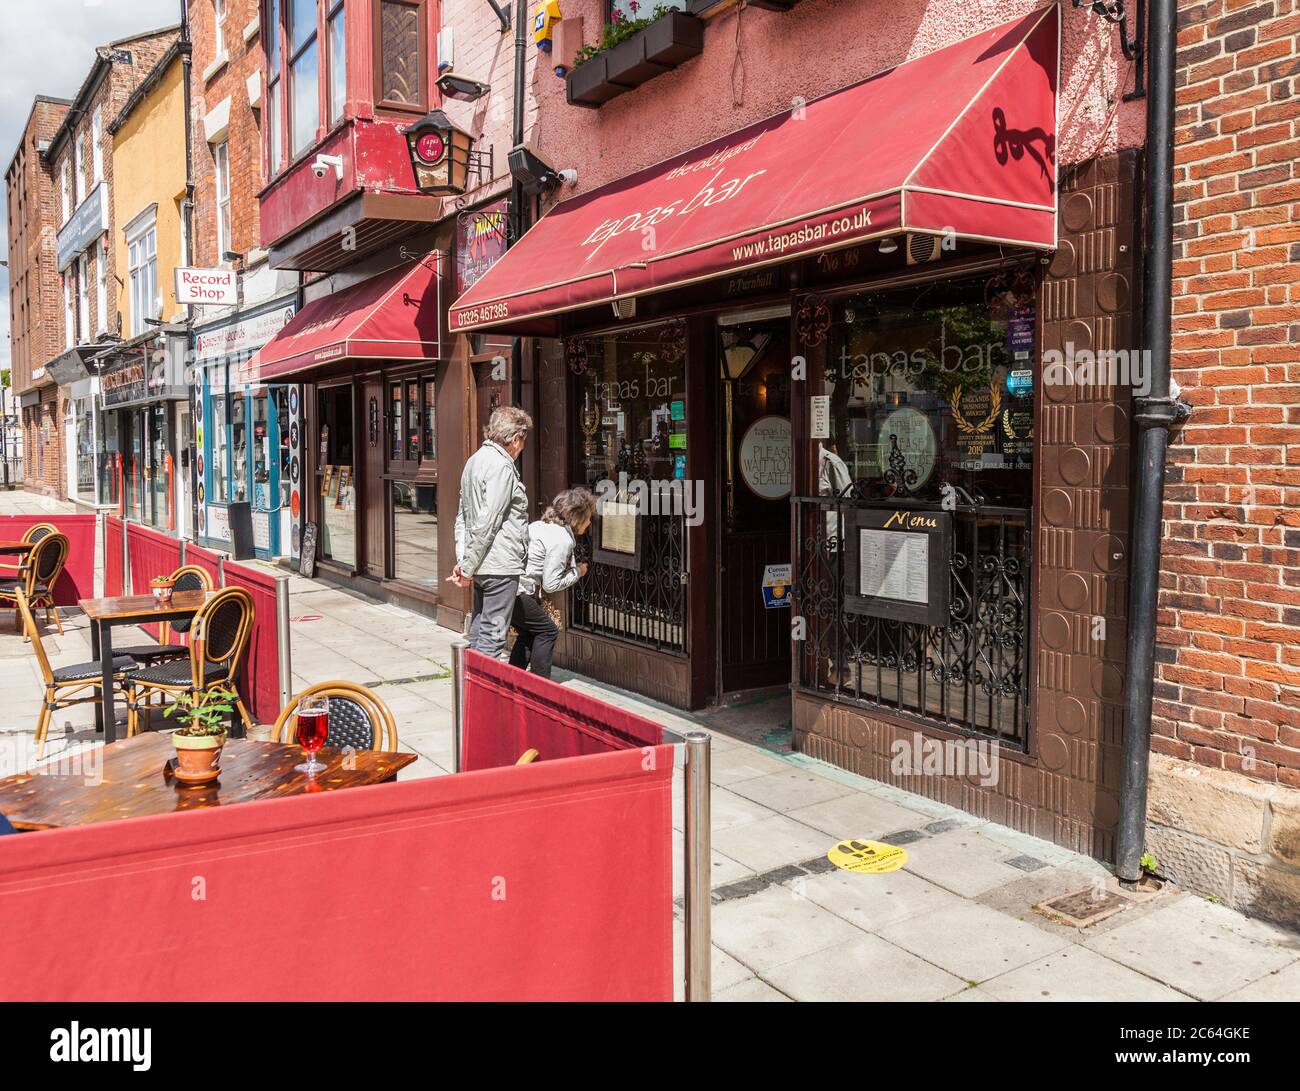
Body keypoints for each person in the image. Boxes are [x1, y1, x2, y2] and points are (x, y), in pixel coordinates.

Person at [450, 406, 532, 659]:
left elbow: (462, 518)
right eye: (523, 441)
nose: (522, 448)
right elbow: (488, 521)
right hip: (500, 566)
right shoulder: (502, 467)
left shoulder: (474, 461)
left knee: (479, 630)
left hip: (484, 565)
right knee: (492, 638)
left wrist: (466, 562)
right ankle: (480, 695)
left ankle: (467, 690)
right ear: (516, 439)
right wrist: (467, 566)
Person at [508, 488, 596, 678]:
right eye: (588, 518)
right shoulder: (562, 540)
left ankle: (513, 679)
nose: (589, 523)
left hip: (509, 587)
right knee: (548, 631)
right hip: (520, 591)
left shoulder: (539, 525)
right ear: (576, 517)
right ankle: (540, 687)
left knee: (528, 632)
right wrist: (578, 572)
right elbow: (551, 584)